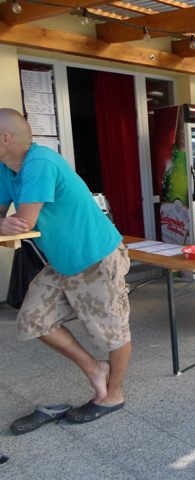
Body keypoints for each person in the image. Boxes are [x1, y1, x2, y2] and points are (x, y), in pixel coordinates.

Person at [0, 108, 131, 427]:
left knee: (112, 332)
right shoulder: (6, 169)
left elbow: (22, 222)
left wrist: (6, 223)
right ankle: (94, 368)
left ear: (4, 139)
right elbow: (3, 217)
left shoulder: (39, 163)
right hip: (62, 262)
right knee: (33, 319)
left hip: (96, 257)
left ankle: (114, 394)